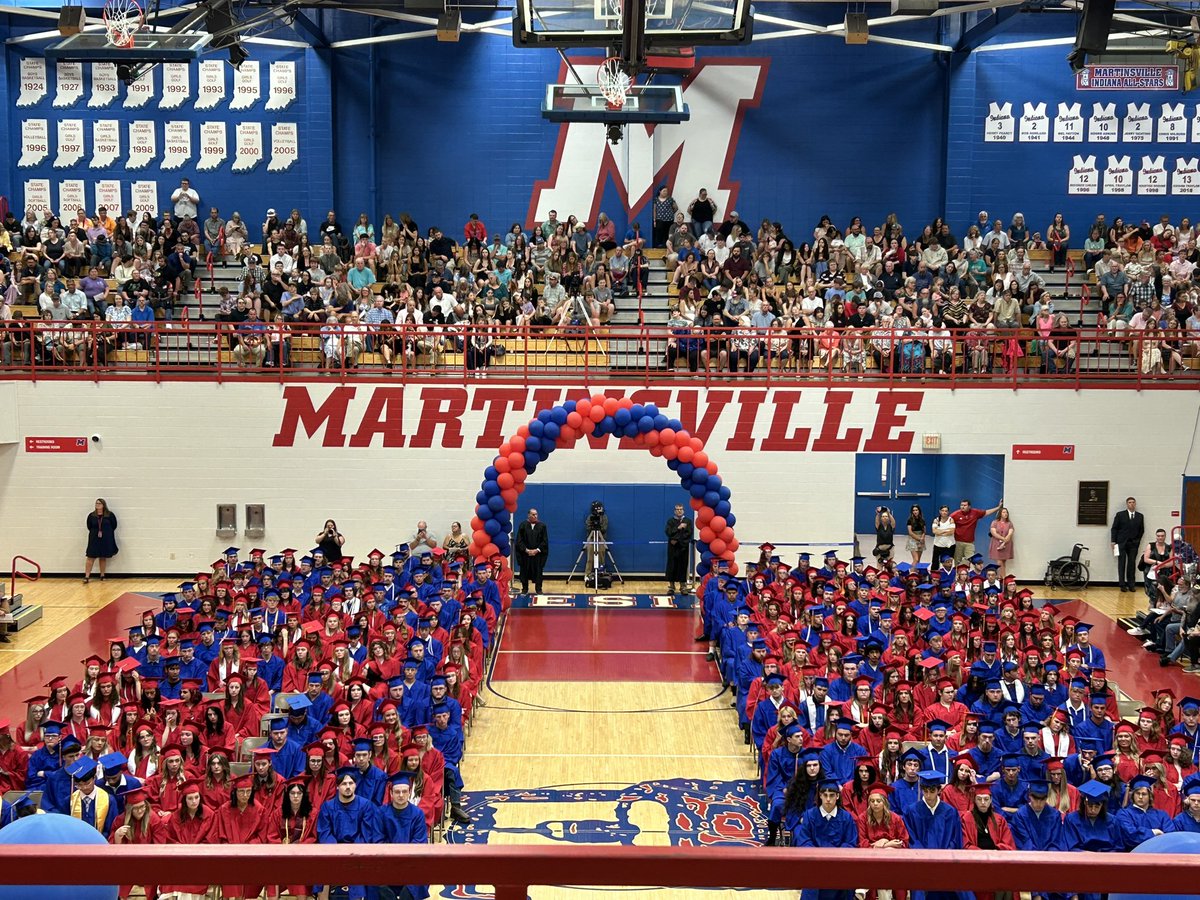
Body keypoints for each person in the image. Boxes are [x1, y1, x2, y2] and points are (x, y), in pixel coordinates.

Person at [902, 771, 970, 900]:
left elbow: (955, 840)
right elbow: (912, 838)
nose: (928, 795)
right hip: (921, 863)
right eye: (925, 790)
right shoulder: (912, 811)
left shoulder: (950, 812)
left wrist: (944, 859)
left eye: (932, 790)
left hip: (947, 863)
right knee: (920, 888)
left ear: (939, 790)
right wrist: (925, 858)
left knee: (962, 888)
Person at [317, 767, 381, 900]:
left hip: (357, 851)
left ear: (355, 785)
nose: (348, 787)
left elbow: (366, 834)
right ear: (337, 787)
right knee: (322, 868)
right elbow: (325, 832)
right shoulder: (327, 807)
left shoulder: (365, 806)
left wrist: (351, 852)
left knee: (358, 868)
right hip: (333, 851)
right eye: (344, 784)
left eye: (351, 783)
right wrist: (337, 851)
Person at [793, 778, 859, 899]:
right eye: (825, 795)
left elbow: (850, 842)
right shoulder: (810, 815)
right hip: (815, 865)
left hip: (839, 865)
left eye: (832, 795)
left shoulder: (846, 818)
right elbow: (804, 840)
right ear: (820, 796)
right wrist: (818, 857)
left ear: (837, 796)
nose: (828, 799)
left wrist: (836, 857)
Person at [378, 771, 431, 900]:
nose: (401, 795)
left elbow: (419, 842)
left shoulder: (417, 814)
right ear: (391, 793)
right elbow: (378, 841)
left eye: (404, 791)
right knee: (374, 878)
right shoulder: (382, 813)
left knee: (420, 876)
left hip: (411, 862)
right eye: (397, 792)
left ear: (409, 792)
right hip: (387, 861)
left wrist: (403, 860)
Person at [950, 497, 1002, 564]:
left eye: (964, 505)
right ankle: (956, 574)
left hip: (969, 543)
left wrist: (998, 508)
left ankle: (967, 574)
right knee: (957, 561)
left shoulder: (975, 512)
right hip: (958, 542)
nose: (962, 507)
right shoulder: (955, 515)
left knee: (970, 560)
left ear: (969, 506)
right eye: (961, 505)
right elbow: (947, 521)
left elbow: (986, 512)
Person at [1111, 496, 1146, 593]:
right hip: (1121, 543)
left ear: (1135, 504)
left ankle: (1131, 584)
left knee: (1131, 564)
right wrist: (1113, 541)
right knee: (1121, 564)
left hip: (1133, 544)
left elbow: (1141, 530)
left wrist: (1137, 540)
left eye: (1133, 502)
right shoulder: (1120, 515)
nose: (1132, 504)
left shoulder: (1140, 516)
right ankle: (1122, 584)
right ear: (1127, 504)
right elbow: (1114, 528)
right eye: (1130, 502)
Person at [514, 507, 549, 597]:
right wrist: (526, 550)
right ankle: (524, 589)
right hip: (525, 554)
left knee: (538, 572)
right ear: (529, 515)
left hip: (537, 555)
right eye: (533, 514)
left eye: (536, 514)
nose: (535, 516)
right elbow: (519, 540)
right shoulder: (523, 525)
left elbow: (544, 541)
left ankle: (538, 589)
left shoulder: (542, 526)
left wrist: (537, 550)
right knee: (524, 572)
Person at [84, 497, 118, 584]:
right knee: (90, 557)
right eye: (96, 503)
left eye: (99, 503)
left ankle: (102, 575)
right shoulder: (91, 516)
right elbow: (89, 526)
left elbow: (114, 526)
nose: (97, 505)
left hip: (105, 539)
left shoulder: (109, 515)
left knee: (102, 557)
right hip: (94, 539)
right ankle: (87, 576)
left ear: (103, 505)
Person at [665, 503, 692, 595]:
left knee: (683, 566)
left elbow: (688, 534)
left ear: (683, 510)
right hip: (672, 548)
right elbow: (669, 533)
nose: (679, 511)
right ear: (674, 511)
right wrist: (678, 528)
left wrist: (676, 539)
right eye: (677, 509)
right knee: (672, 566)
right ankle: (671, 587)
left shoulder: (687, 521)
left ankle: (683, 586)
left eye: (681, 509)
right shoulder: (671, 521)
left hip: (683, 547)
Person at [987, 507, 1015, 580]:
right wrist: (1002, 538)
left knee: (1003, 562)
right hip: (996, 543)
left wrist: (1005, 541)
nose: (1005, 514)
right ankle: (1004, 578)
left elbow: (1010, 533)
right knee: (999, 562)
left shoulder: (1009, 523)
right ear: (1000, 513)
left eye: (1006, 512)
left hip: (1006, 544)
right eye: (1003, 512)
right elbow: (993, 532)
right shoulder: (995, 522)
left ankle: (1000, 577)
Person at [930, 506, 956, 570]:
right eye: (943, 510)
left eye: (946, 511)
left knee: (948, 563)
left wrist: (940, 532)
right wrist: (946, 530)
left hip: (949, 545)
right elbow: (934, 531)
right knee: (935, 563)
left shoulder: (951, 520)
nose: (944, 512)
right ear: (940, 511)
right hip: (938, 545)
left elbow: (952, 531)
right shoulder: (936, 520)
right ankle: (935, 577)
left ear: (948, 512)